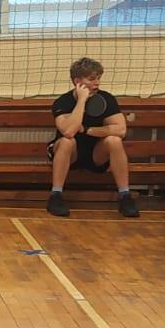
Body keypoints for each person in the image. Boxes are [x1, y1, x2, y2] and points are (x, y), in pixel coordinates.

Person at [46, 58, 138, 218]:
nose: (97, 83)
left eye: (98, 78)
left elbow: (121, 130)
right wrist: (82, 100)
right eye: (91, 79)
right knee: (67, 141)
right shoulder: (63, 102)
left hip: (95, 153)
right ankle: (56, 196)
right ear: (77, 81)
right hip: (71, 154)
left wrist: (88, 130)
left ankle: (125, 196)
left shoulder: (106, 99)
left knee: (114, 140)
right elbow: (69, 131)